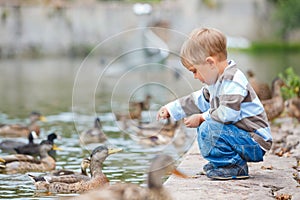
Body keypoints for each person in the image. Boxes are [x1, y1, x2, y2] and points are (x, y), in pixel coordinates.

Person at [156, 27, 272, 180]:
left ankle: (234, 166)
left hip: (255, 141)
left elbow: (228, 114)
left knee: (208, 127)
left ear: (210, 63)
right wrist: (172, 108)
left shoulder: (233, 81)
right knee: (207, 126)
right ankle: (223, 163)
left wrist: (202, 117)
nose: (195, 77)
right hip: (242, 137)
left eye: (194, 71)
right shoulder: (216, 82)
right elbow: (197, 100)